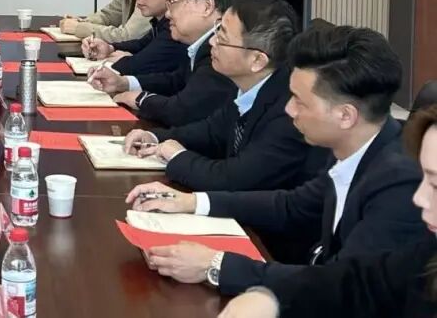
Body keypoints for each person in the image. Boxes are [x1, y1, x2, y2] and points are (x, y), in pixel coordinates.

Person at [127, 25, 424, 295]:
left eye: (300, 101)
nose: (289, 110)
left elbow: (343, 285)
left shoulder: (400, 184)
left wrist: (216, 265)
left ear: (345, 115)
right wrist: (191, 202)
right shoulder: (357, 148)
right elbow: (292, 206)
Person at [216, 104, 437, 318]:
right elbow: (353, 283)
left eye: (435, 185)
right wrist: (270, 298)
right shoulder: (426, 256)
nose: (418, 198)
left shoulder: (397, 179)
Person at [120, 0, 326, 193]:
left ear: (257, 60)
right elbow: (211, 131)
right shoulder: (247, 85)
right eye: (217, 31)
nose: (212, 42)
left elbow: (233, 179)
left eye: (222, 38)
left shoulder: (289, 110)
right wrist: (155, 136)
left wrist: (178, 156)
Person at [89, 0, 237, 126]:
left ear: (206, 6)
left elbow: (182, 110)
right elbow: (175, 81)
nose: (167, 13)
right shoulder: (200, 44)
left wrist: (141, 99)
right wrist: (123, 82)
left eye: (173, 2)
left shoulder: (222, 50)